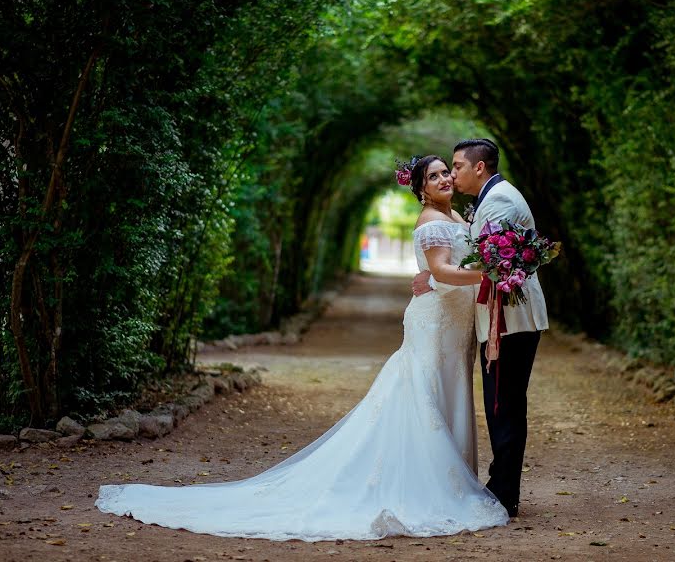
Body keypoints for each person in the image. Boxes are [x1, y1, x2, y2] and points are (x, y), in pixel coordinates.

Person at [96, 155, 509, 541]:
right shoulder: (431, 221)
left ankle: (452, 478)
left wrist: (469, 270)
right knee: (427, 392)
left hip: (455, 322)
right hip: (434, 321)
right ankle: (428, 485)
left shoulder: (456, 215)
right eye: (434, 176)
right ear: (421, 188)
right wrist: (490, 275)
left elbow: (442, 269)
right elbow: (439, 270)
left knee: (450, 390)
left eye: (446, 172)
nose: (444, 179)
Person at [412, 139, 548, 518]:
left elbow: (496, 264)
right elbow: (476, 258)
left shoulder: (499, 200)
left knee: (503, 406)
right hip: (497, 317)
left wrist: (439, 275)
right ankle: (501, 485)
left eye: (455, 167)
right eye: (441, 171)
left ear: (479, 168)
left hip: (510, 318)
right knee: (501, 405)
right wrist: (434, 275)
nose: (451, 175)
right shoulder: (489, 200)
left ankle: (504, 492)